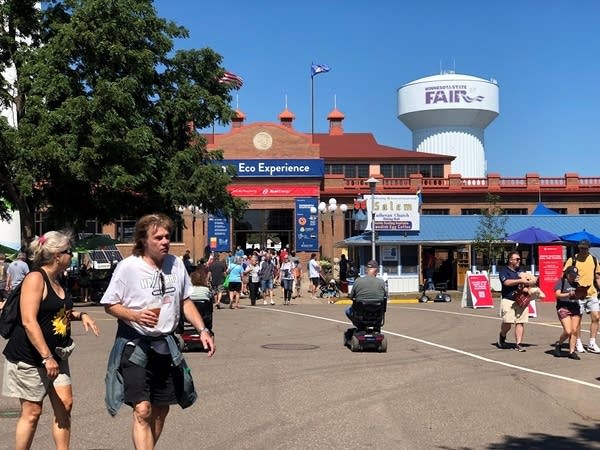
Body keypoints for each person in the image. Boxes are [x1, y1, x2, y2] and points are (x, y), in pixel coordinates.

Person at [100, 213, 215, 450]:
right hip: (135, 345)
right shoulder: (128, 267)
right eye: (159, 237)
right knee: (143, 410)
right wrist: (135, 315)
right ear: (143, 240)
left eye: (167, 237)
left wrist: (203, 329)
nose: (165, 241)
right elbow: (110, 304)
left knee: (161, 410)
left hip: (165, 345)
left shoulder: (176, 264)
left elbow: (185, 301)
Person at [2, 231, 99, 450]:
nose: (71, 255)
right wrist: (46, 357)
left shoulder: (58, 279)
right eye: (68, 251)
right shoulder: (36, 278)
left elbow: (58, 311)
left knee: (65, 405)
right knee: (32, 412)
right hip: (31, 357)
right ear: (57, 255)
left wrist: (81, 315)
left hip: (57, 353)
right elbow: (28, 320)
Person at [562, 239, 600, 354]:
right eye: (581, 248)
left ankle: (592, 343)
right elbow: (564, 275)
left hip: (591, 293)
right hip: (577, 294)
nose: (583, 250)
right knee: (577, 320)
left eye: (585, 248)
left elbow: (597, 276)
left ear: (589, 248)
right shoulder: (572, 259)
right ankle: (577, 341)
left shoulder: (593, 259)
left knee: (596, 317)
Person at [497, 251, 537, 352]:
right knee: (508, 322)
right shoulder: (504, 271)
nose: (519, 261)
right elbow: (506, 282)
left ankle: (518, 344)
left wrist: (529, 285)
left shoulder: (521, 270)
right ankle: (502, 335)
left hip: (521, 299)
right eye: (517, 259)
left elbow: (527, 281)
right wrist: (520, 281)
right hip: (508, 299)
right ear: (510, 260)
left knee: (520, 322)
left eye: (520, 259)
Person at [553, 266, 585, 359]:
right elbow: (557, 295)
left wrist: (582, 295)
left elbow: (579, 296)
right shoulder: (561, 282)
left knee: (574, 330)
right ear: (567, 274)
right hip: (563, 307)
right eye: (571, 275)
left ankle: (572, 352)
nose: (573, 277)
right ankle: (559, 344)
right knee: (568, 330)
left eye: (575, 275)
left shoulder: (576, 284)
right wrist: (568, 294)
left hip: (575, 307)